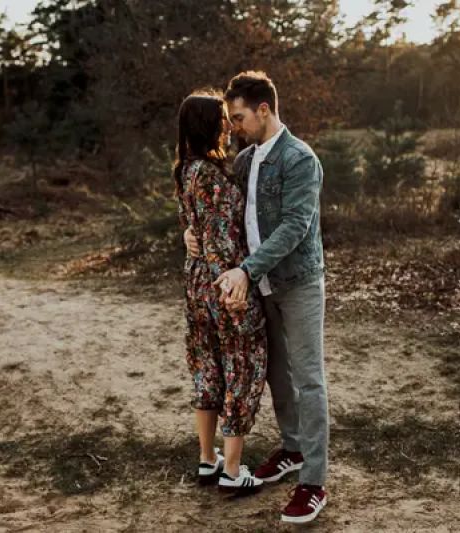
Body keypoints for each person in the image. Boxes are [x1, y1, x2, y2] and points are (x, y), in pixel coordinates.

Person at [184, 72, 329, 524]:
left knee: (308, 380)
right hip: (259, 284)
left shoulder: (299, 159)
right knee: (275, 374)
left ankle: (314, 481)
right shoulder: (245, 160)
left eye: (241, 116)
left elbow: (294, 226)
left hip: (297, 282)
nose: (235, 126)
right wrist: (190, 233)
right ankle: (291, 449)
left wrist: (246, 270)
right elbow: (217, 210)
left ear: (263, 110)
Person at [174, 90, 267, 495]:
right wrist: (235, 284)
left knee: (207, 367)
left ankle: (207, 460)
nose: (229, 127)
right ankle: (232, 470)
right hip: (222, 281)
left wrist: (187, 237)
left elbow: (195, 227)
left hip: (196, 281)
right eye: (223, 121)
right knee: (239, 367)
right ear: (210, 126)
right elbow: (221, 239)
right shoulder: (212, 176)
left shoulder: (186, 170)